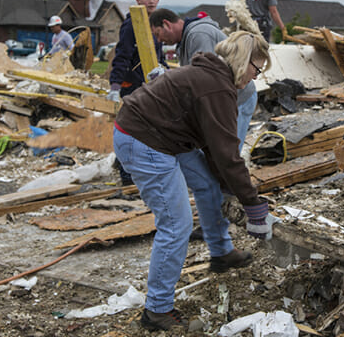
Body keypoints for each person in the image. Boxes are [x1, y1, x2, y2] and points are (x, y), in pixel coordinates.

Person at [113, 31, 272, 331]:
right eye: (257, 69)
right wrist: (253, 205)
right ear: (243, 61)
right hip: (144, 140)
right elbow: (227, 153)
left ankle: (222, 253)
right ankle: (156, 310)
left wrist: (227, 186)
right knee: (176, 225)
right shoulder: (217, 88)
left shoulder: (214, 77)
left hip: (165, 136)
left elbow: (215, 146)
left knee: (209, 185)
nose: (255, 76)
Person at [149, 8, 257, 152]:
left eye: (157, 34)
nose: (159, 40)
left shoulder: (199, 35)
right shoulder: (185, 41)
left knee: (228, 152)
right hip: (224, 99)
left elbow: (206, 79)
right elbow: (193, 76)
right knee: (217, 153)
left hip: (239, 98)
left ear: (167, 24)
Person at [107, 0, 167, 100]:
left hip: (151, 84)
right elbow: (123, 55)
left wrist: (167, 72)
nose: (151, 1)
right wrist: (115, 85)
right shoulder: (131, 25)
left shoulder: (156, 25)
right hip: (132, 84)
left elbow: (159, 56)